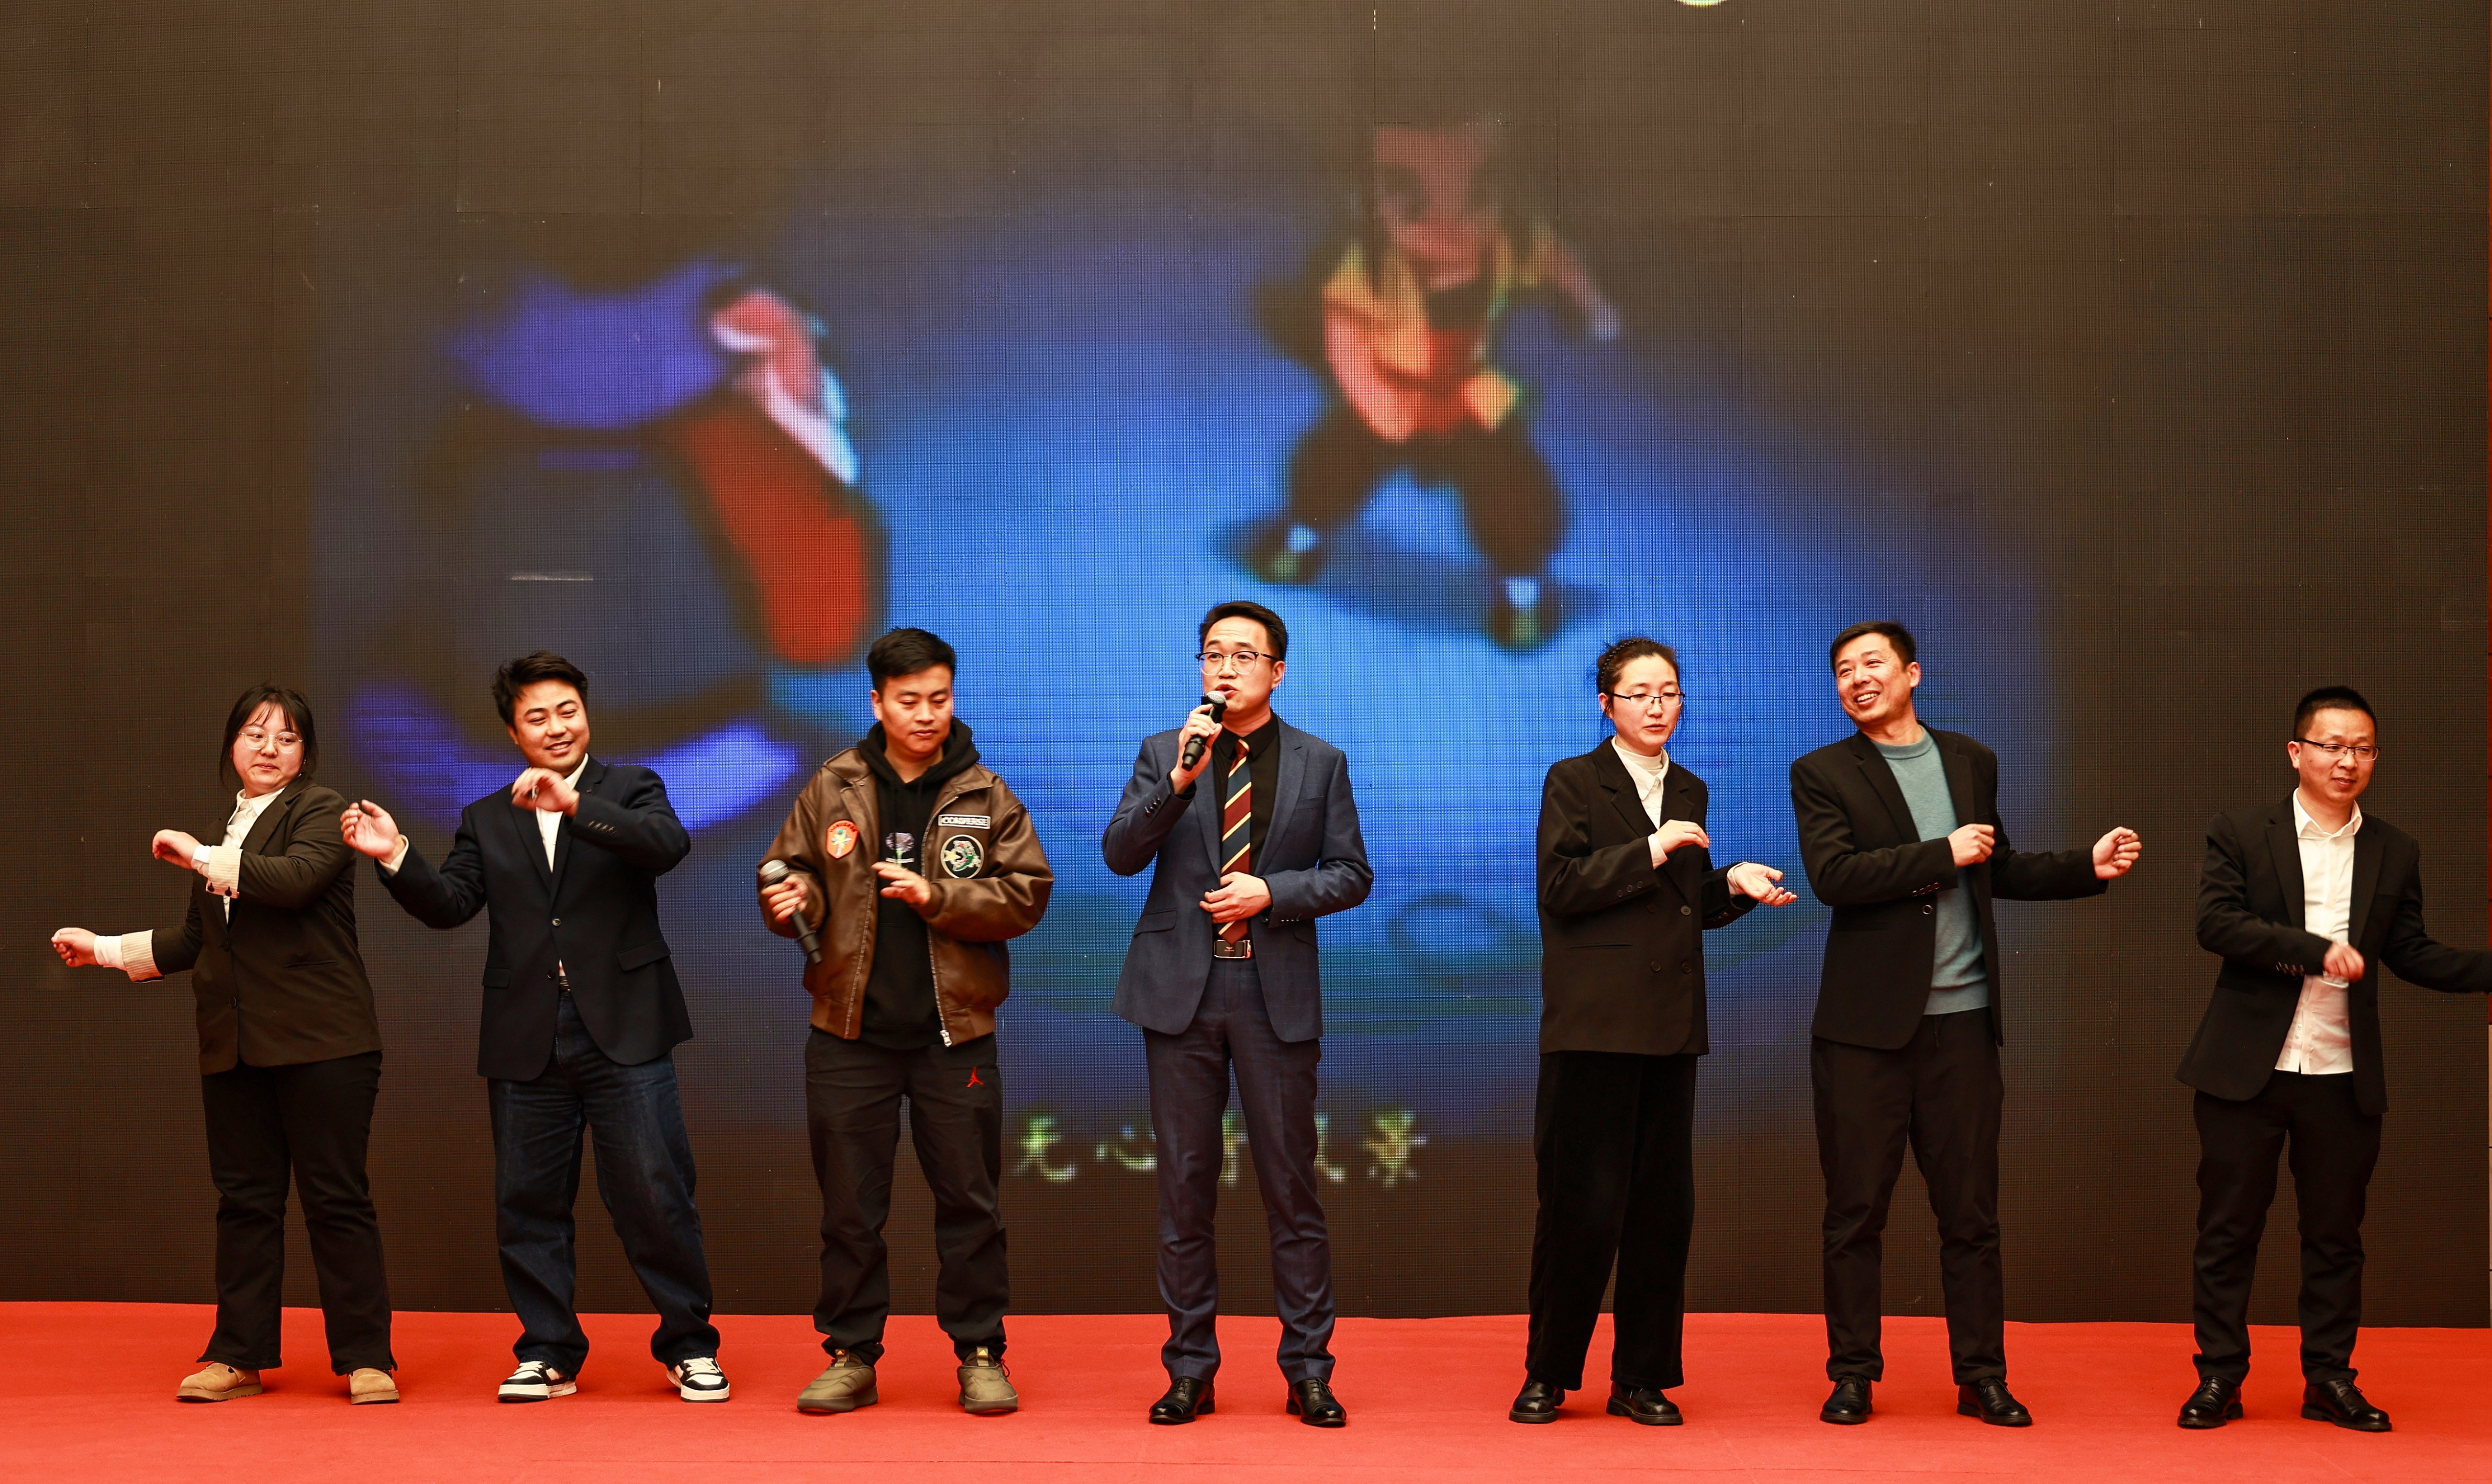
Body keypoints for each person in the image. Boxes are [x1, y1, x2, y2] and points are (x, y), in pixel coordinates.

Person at [338, 651, 727, 1403]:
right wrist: (396, 856)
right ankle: (547, 1349)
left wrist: (575, 805)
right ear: (514, 734)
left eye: (567, 711)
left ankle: (689, 1344)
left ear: (587, 714)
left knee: (655, 1194)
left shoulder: (630, 789)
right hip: (527, 1033)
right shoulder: (488, 817)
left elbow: (666, 846)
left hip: (625, 1025)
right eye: (537, 718)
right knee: (528, 1202)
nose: (556, 728)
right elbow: (450, 905)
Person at [1789, 621, 2140, 1428]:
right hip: (1864, 1034)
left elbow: (1995, 864)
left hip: (1965, 1028)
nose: (1856, 679)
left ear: (1912, 673)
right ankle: (1853, 1375)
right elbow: (1836, 876)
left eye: (1872, 663)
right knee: (1855, 1214)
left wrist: (2083, 868)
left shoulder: (1970, 759)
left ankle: (1982, 1375)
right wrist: (1940, 852)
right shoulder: (1821, 772)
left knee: (1972, 1216)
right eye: (1843, 670)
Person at [51, 685, 399, 1405]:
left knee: (336, 1199)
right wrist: (104, 950)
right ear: (232, 745)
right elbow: (194, 939)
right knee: (245, 1203)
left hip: (324, 1042)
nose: (269, 749)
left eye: (287, 738)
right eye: (255, 734)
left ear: (305, 754)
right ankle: (238, 1355)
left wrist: (200, 856)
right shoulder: (224, 829)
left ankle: (367, 1358)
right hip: (235, 1044)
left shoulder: (321, 812)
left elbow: (293, 882)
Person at [755, 628, 1054, 1416]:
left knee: (970, 1206)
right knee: (850, 1210)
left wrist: (938, 896)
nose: (927, 715)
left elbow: (1027, 894)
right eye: (910, 700)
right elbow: (792, 873)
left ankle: (981, 1353)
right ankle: (851, 1355)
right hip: (848, 1032)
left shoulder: (985, 793)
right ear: (877, 702)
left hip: (954, 1034)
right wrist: (791, 901)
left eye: (939, 699)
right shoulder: (834, 785)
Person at [2176, 686, 2491, 1433]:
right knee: (2227, 1232)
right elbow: (2217, 924)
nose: (2348, 761)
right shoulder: (2241, 831)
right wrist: (2315, 951)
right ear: (2298, 752)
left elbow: (2411, 951)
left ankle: (2329, 1379)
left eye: (2363, 749)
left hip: (2343, 1075)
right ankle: (2219, 1376)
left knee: (2336, 1239)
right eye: (2332, 746)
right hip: (2244, 1072)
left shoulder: (2394, 849)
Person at [1512, 638, 1799, 1427]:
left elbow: (1677, 908)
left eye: (1669, 692)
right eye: (1638, 693)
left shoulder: (1690, 788)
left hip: (1670, 1027)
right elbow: (1561, 887)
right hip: (1594, 1027)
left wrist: (1730, 885)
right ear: (1606, 703)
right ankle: (1549, 1373)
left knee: (1661, 1212)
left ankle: (1642, 1377)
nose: (1656, 706)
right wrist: (1653, 844)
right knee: (1580, 1208)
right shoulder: (1574, 779)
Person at [1102, 600, 1373, 1426]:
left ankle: (1309, 1370)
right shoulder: (1165, 753)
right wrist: (1179, 783)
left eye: (1244, 656)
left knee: (1291, 1189)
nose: (1226, 668)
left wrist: (1271, 893)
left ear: (1277, 672)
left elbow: (1352, 874)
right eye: (1213, 654)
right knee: (1185, 1191)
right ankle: (1190, 1368)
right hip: (1180, 996)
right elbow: (1120, 853)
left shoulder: (1321, 762)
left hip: (1271, 994)